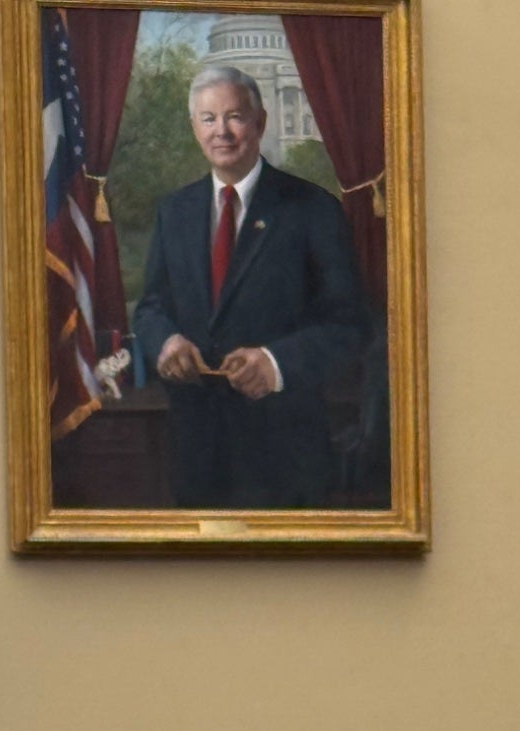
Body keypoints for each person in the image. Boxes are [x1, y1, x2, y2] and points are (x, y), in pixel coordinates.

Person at [132, 64, 372, 509]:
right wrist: (166, 342)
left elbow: (350, 326)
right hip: (196, 454)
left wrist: (276, 363)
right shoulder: (174, 211)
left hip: (285, 455)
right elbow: (150, 308)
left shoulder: (313, 208)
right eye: (208, 119)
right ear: (194, 127)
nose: (221, 132)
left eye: (235, 117)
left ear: (260, 122)